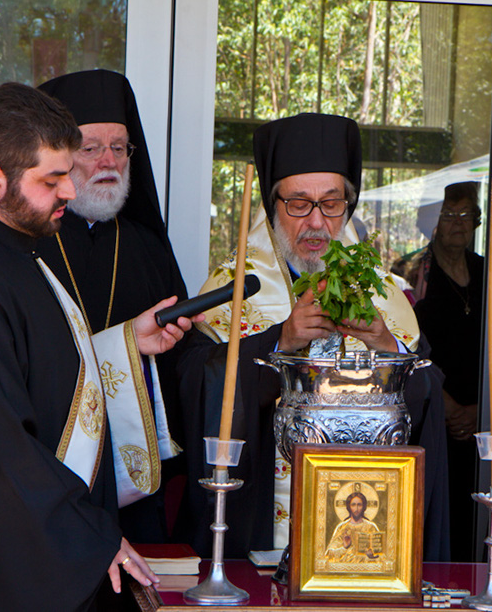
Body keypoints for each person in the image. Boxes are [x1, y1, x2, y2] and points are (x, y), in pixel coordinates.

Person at [0, 82, 199, 610]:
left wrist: (129, 344)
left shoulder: (11, 248)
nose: (70, 192)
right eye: (52, 179)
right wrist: (89, 537)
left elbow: (39, 378)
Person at [177, 112, 449, 561]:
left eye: (331, 203)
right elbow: (194, 388)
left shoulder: (386, 296)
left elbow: (429, 400)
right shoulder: (233, 289)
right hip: (262, 528)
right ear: (272, 206)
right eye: (299, 203)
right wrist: (279, 343)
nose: (317, 223)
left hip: (364, 536)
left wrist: (387, 348)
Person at [37, 69, 188, 544]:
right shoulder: (30, 245)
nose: (109, 160)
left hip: (132, 472)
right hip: (51, 463)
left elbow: (183, 363)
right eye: (90, 147)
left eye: (119, 147)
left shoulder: (147, 246)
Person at [412, 181, 484, 560]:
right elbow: (404, 349)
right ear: (432, 223)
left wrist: (481, 409)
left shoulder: (488, 273)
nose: (458, 223)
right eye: (448, 214)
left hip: (481, 420)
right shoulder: (413, 275)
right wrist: (447, 406)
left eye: (466, 214)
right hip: (431, 416)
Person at [324, 491, 382, 562]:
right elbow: (329, 554)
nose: (356, 509)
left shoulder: (370, 527)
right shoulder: (342, 527)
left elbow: (381, 555)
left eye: (359, 505)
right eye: (353, 505)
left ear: (363, 507)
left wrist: (372, 555)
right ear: (349, 507)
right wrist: (344, 547)